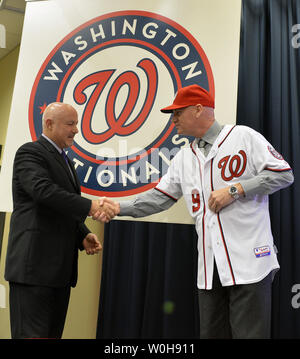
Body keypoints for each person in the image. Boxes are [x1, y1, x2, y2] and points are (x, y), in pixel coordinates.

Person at [95, 84, 294, 339]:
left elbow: (283, 174)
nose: (173, 119)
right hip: (210, 267)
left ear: (199, 109)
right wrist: (118, 206)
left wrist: (235, 190)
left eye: (178, 112)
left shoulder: (243, 136)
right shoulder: (184, 157)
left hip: (250, 260)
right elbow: (159, 198)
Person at [4, 102, 117, 339]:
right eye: (70, 124)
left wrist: (82, 234)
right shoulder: (30, 152)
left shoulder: (65, 160)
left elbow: (58, 208)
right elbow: (43, 191)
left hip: (58, 273)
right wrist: (90, 206)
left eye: (76, 124)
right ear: (49, 123)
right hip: (33, 270)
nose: (76, 130)